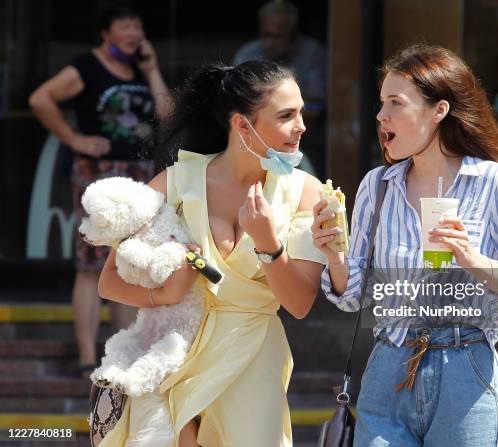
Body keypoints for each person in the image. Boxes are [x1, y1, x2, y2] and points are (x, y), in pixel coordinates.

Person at [312, 44, 498, 446]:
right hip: (388, 365)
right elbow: (353, 296)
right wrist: (335, 252)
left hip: (465, 368)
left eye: (395, 103)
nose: (381, 115)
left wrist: (472, 258)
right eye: (381, 102)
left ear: (439, 110)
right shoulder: (378, 186)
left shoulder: (494, 183)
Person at [96, 60, 326, 446]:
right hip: (175, 354)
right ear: (241, 125)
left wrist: (270, 245)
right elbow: (109, 280)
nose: (301, 125)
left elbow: (300, 304)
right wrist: (164, 294)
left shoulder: (307, 191)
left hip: (252, 359)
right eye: (287, 115)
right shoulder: (174, 182)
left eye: (301, 112)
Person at [28, 5, 172, 378]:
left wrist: (153, 69)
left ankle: (123, 348)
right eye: (124, 25)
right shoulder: (86, 66)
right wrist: (74, 138)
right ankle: (87, 354)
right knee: (91, 261)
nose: (133, 32)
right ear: (105, 33)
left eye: (137, 24)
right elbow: (40, 99)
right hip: (98, 173)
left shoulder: (141, 69)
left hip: (138, 174)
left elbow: (168, 117)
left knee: (130, 263)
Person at [233, 0, 327, 175]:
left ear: (293, 35)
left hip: (308, 142)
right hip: (252, 142)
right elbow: (235, 103)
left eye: (277, 36)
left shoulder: (314, 55)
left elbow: (315, 109)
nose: (270, 42)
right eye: (266, 35)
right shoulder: (247, 54)